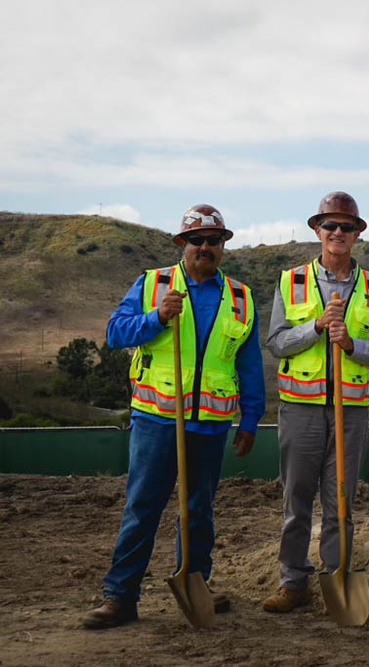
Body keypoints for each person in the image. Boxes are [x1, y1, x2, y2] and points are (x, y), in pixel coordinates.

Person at [82, 205, 265, 629]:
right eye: (196, 240)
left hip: (211, 422)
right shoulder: (152, 284)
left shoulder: (241, 297)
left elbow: (249, 364)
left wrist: (251, 419)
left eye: (214, 241)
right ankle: (120, 596)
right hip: (157, 419)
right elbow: (114, 333)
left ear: (223, 247)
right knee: (143, 506)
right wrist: (156, 318)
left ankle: (196, 583)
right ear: (182, 244)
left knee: (200, 509)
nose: (205, 247)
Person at [262, 192, 369, 613]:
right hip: (301, 407)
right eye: (330, 226)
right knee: (296, 498)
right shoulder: (291, 281)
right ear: (317, 230)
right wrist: (316, 327)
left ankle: (338, 578)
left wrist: (352, 344)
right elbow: (277, 343)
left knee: (341, 500)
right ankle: (293, 582)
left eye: (347, 227)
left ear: (358, 234)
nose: (338, 233)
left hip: (351, 410)